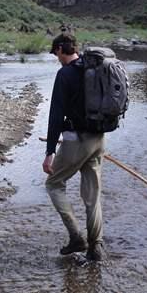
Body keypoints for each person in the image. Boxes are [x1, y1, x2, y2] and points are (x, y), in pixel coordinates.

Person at [42, 33, 107, 261]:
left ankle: (76, 237)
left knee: (53, 184)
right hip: (99, 138)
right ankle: (96, 246)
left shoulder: (65, 74)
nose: (56, 58)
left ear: (61, 49)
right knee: (92, 195)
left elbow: (56, 115)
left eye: (56, 53)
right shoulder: (96, 69)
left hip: (76, 140)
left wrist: (49, 152)